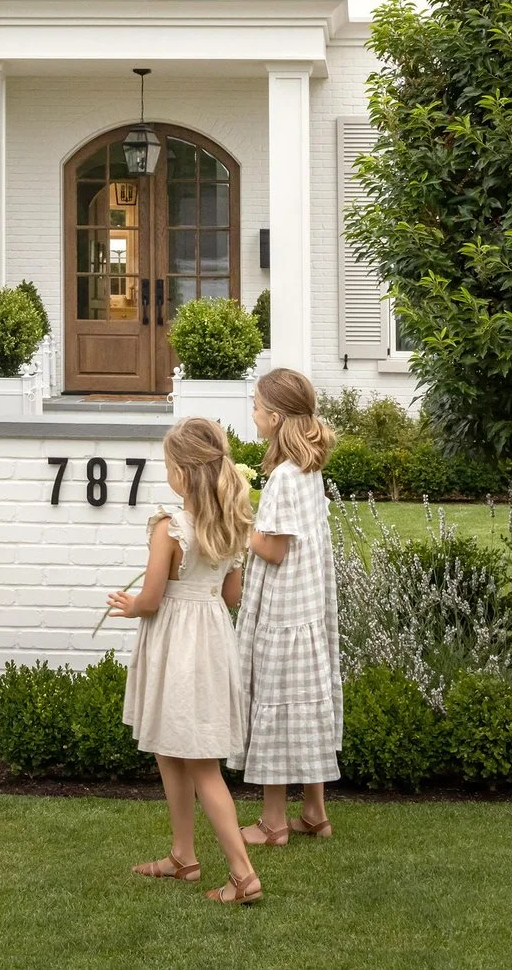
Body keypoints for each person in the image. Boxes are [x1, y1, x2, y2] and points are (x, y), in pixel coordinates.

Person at [107, 416, 262, 905]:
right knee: (171, 747)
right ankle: (183, 857)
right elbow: (232, 595)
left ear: (184, 472)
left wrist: (130, 605)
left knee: (201, 764)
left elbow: (151, 599)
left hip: (176, 640)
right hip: (213, 639)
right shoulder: (232, 526)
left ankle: (243, 875)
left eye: (169, 465)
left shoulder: (169, 527)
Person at [232, 368, 343, 847]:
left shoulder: (281, 477)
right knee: (303, 701)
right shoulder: (310, 470)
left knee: (276, 703)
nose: (252, 414)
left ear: (274, 417)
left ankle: (274, 821)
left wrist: (240, 527)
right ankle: (314, 811)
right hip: (308, 607)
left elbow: (273, 549)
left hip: (282, 611)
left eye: (256, 407)